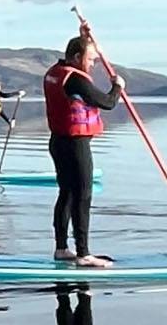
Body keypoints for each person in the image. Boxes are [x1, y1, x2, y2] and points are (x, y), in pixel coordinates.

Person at [43, 36, 123, 267]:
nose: (92, 64)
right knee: (83, 195)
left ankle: (61, 249)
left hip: (58, 142)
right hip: (75, 144)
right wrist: (118, 86)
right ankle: (84, 254)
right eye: (90, 60)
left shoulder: (56, 71)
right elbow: (108, 102)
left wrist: (84, 35)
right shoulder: (75, 80)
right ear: (77, 57)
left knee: (67, 194)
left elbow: (75, 50)